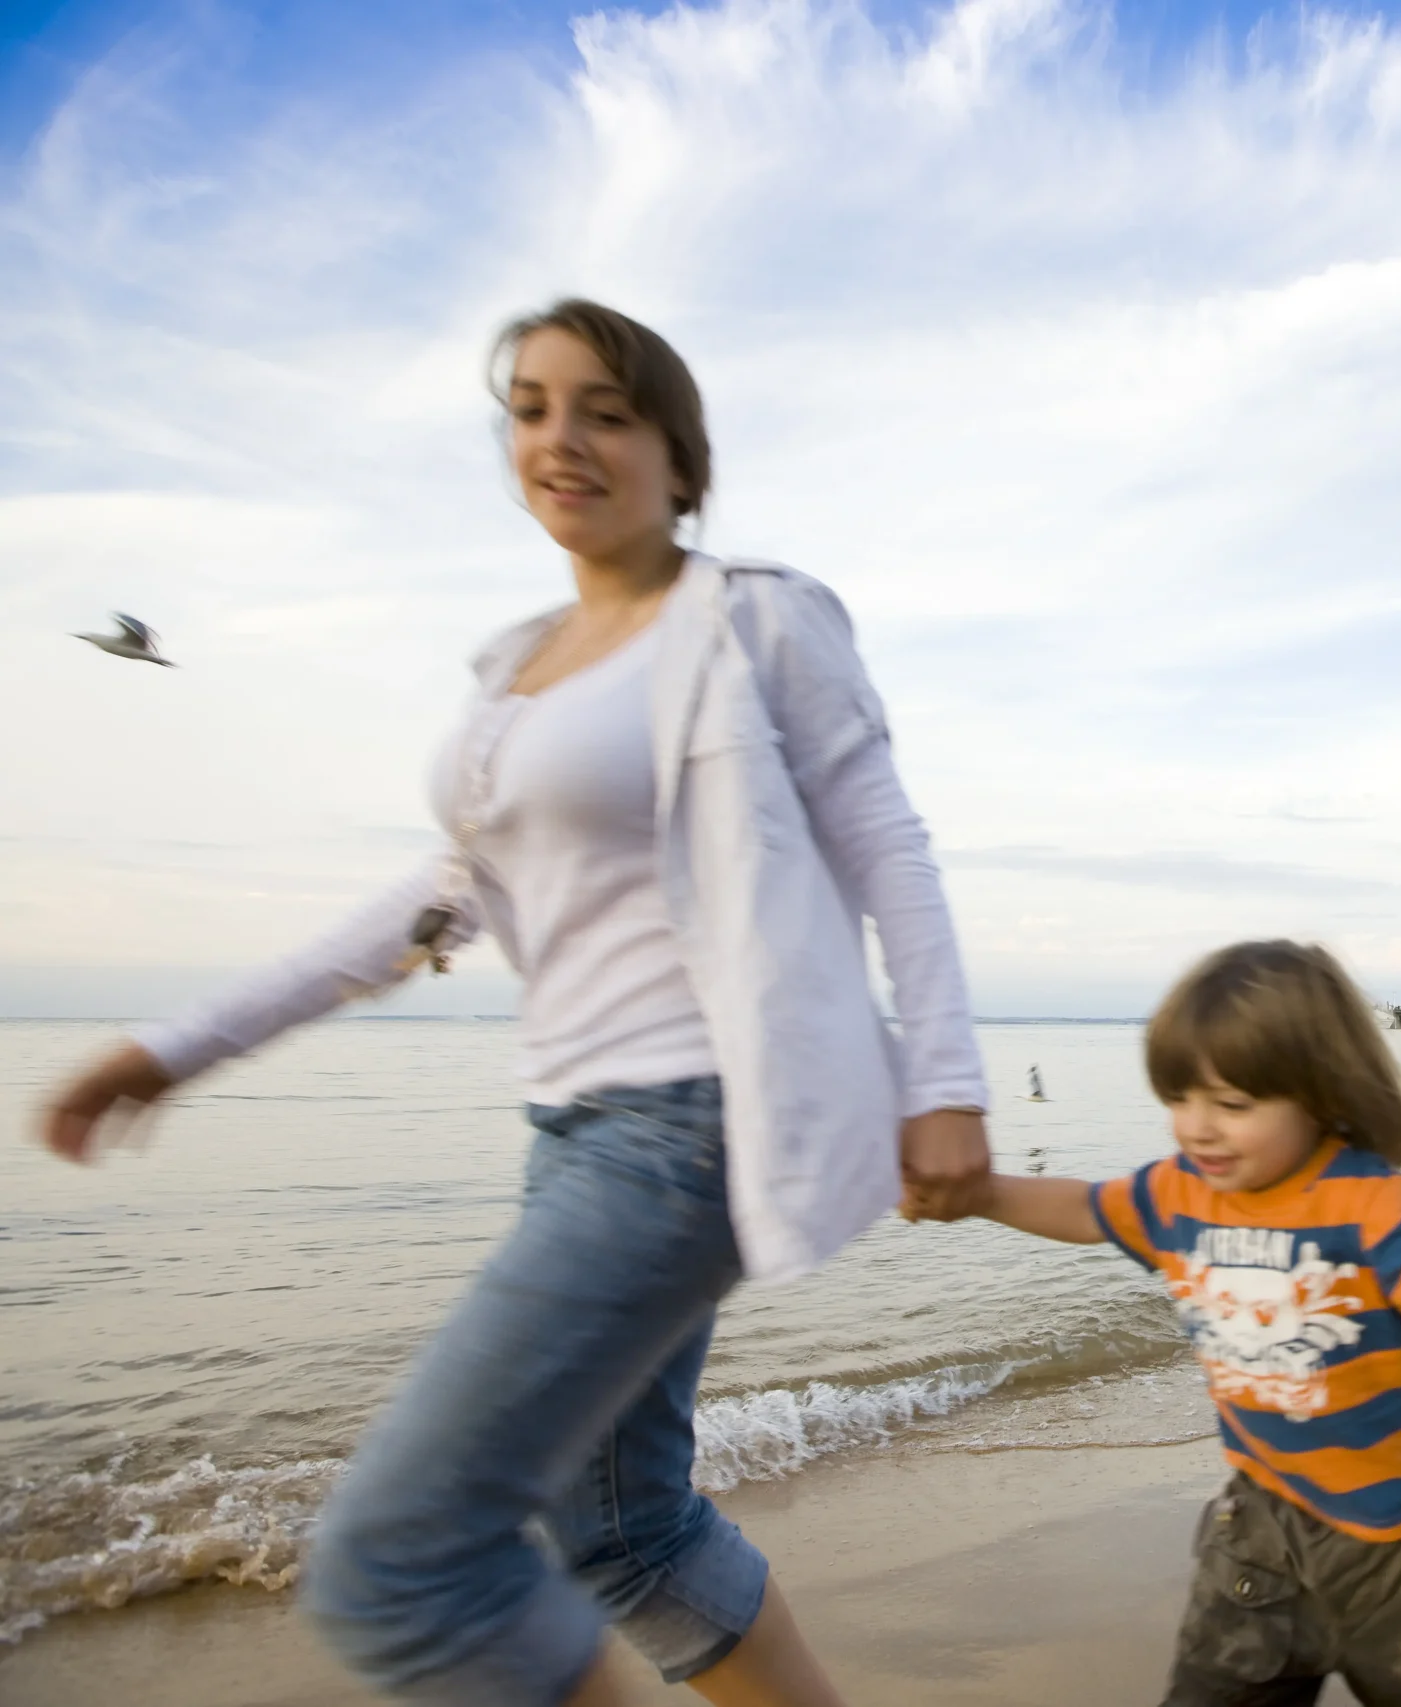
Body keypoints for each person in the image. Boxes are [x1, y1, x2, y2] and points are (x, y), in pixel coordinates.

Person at [35, 299, 992, 1707]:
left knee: (395, 1558)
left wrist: (947, 1084)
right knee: (617, 1524)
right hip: (572, 1131)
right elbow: (423, 909)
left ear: (680, 454)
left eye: (605, 408)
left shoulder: (751, 619)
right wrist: (182, 1044)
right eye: (532, 408)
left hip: (692, 1122)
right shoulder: (516, 673)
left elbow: (885, 843)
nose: (561, 435)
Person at [911, 940, 1401, 1706]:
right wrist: (979, 1193)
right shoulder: (1178, 1194)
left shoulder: (1367, 1200)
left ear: (1318, 1092)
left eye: (1233, 1104)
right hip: (1260, 1535)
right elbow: (1086, 1206)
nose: (1198, 1127)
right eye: (1180, 1098)